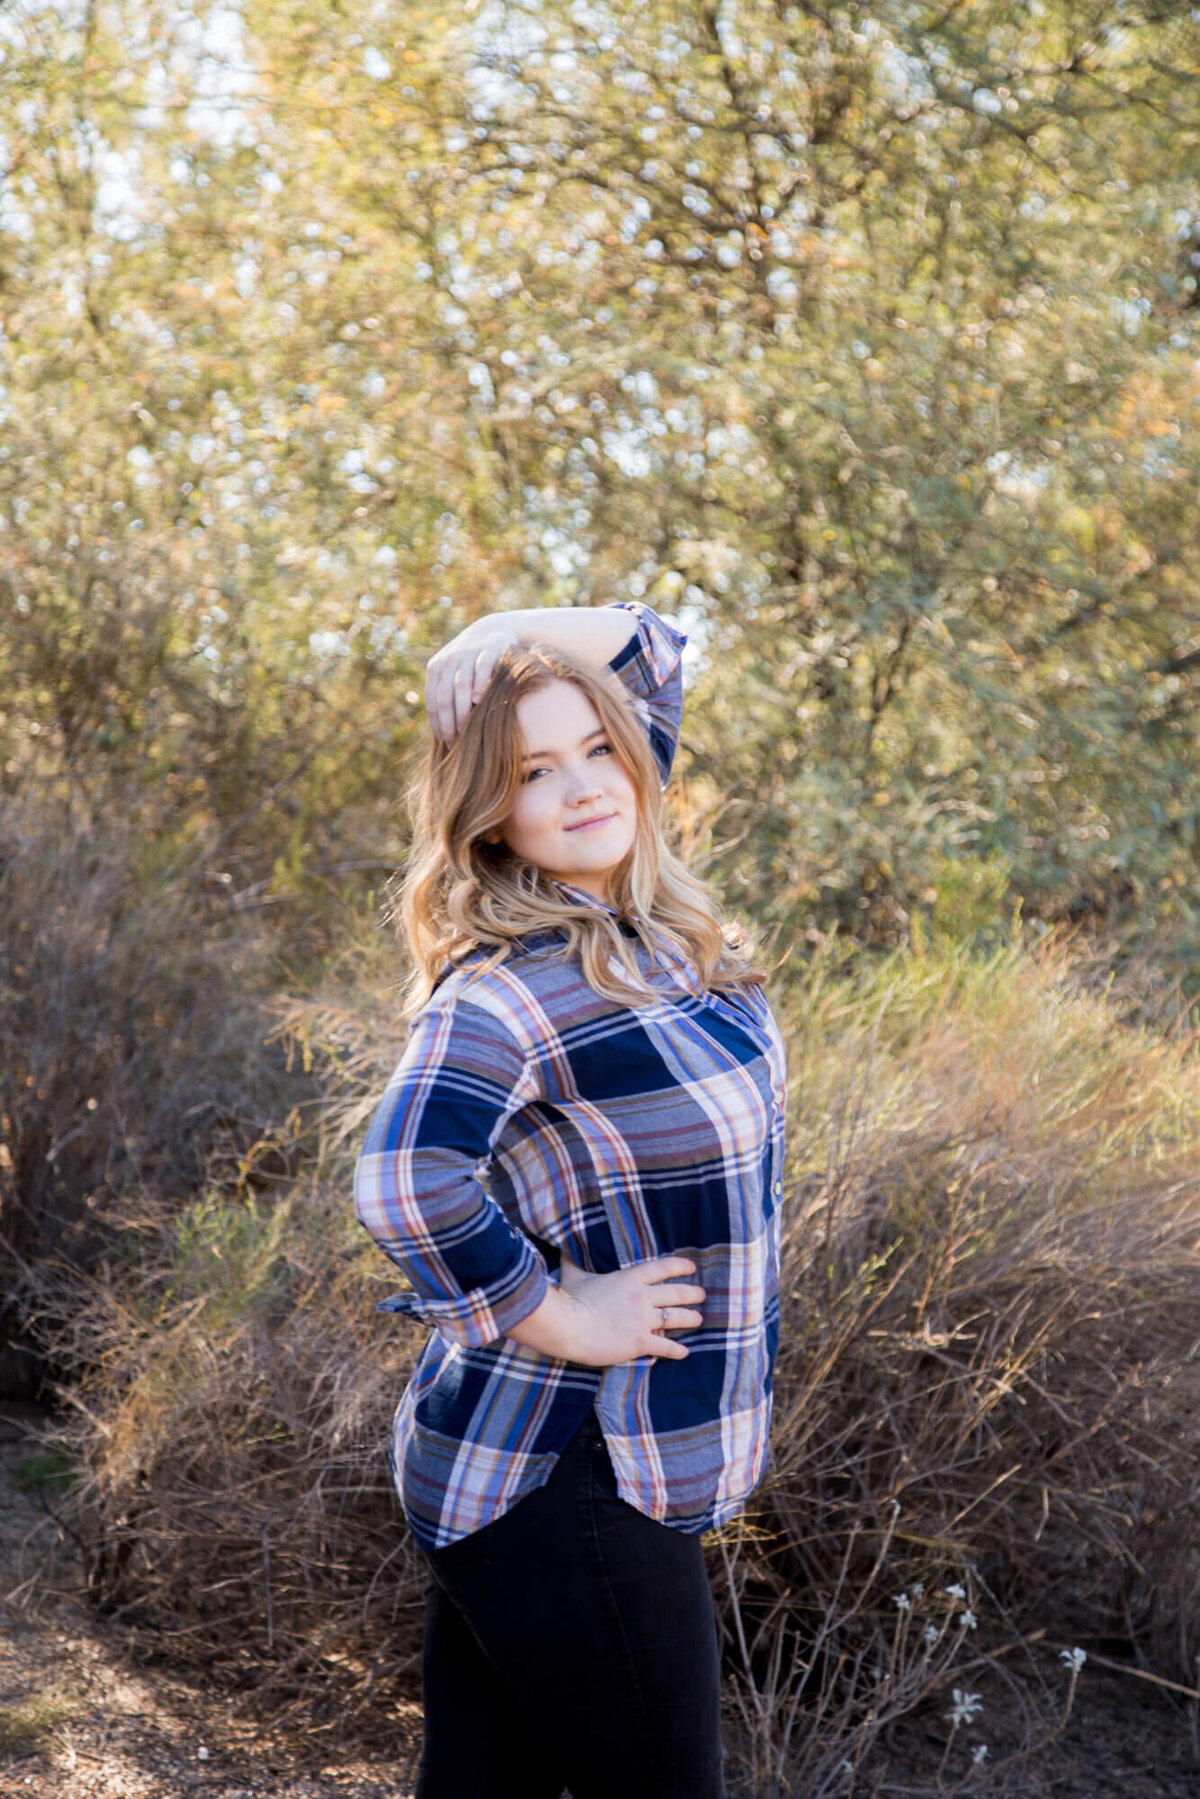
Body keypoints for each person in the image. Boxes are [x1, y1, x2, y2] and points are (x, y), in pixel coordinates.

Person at [353, 599, 788, 1799]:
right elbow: (403, 1176)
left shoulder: (648, 930)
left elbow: (656, 644)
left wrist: (498, 632)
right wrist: (561, 1312)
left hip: (601, 1455)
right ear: (493, 810)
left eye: (601, 746)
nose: (585, 783)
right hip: (563, 1466)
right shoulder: (510, 986)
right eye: (534, 769)